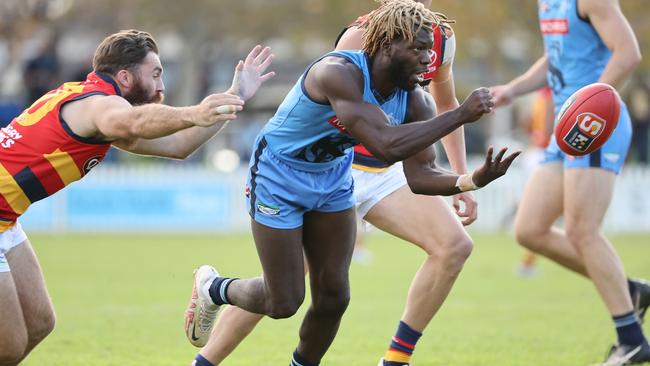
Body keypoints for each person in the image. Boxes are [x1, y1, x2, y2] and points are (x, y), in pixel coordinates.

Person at [184, 2, 521, 366]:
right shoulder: (337, 71)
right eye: (420, 50)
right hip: (280, 175)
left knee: (334, 297)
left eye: (431, 51)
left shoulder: (416, 99)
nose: (429, 61)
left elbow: (421, 176)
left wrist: (471, 180)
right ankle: (214, 289)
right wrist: (459, 115)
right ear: (388, 46)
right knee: (283, 301)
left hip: (332, 176)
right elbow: (384, 144)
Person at [0, 29, 274, 365]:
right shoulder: (98, 107)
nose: (162, 86)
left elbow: (178, 146)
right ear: (125, 77)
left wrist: (234, 97)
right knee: (9, 345)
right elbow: (132, 120)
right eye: (156, 74)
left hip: (6, 220)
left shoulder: (92, 107)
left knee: (40, 323)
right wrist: (194, 112)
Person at [490, 0, 650, 363]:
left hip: (594, 125)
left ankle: (632, 339)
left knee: (582, 230)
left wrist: (590, 105)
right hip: (566, 130)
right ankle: (629, 292)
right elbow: (557, 57)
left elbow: (628, 53)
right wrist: (515, 88)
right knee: (529, 229)